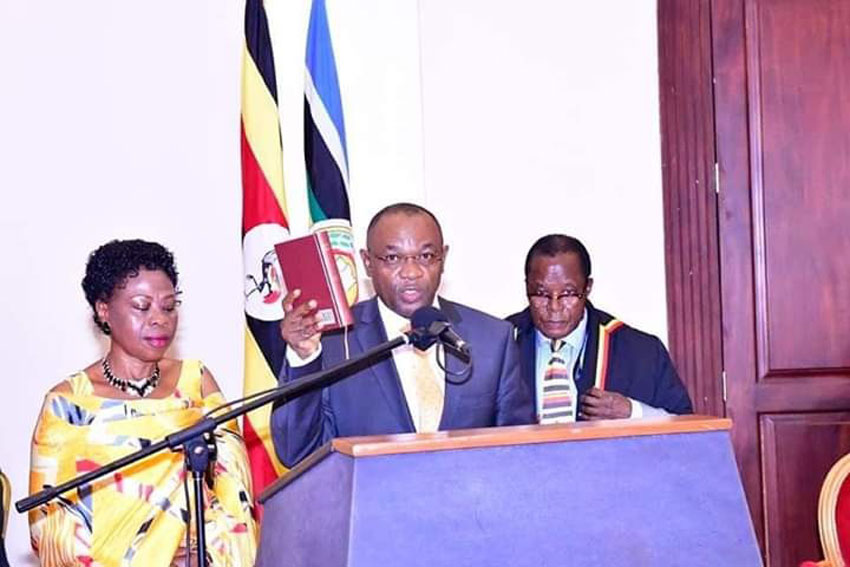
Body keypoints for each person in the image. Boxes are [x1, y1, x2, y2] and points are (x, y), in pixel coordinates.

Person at [28, 240, 256, 567]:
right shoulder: (67, 404)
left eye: (168, 306)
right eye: (141, 306)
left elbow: (237, 497)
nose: (159, 319)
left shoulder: (197, 382)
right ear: (103, 310)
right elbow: (48, 527)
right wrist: (151, 559)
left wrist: (207, 554)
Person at [271, 203, 534, 467]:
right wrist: (303, 356)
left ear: (443, 258)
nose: (411, 272)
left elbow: (521, 452)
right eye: (393, 258)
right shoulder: (333, 342)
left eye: (426, 256)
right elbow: (297, 452)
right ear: (367, 262)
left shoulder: (492, 339)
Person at [507, 234, 692, 423]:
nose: (554, 307)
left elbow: (687, 429)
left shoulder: (641, 352)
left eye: (568, 294)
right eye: (541, 294)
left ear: (587, 288)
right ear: (526, 287)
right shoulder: (498, 347)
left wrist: (633, 413)